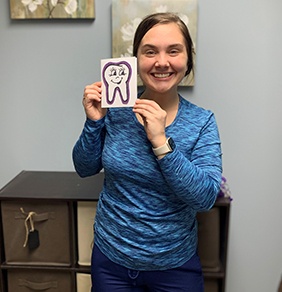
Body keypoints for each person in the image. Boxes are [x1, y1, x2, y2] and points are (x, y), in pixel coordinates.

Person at [73, 12, 222, 292]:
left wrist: (161, 143)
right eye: (150, 52)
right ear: (136, 61)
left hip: (175, 266)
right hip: (111, 261)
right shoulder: (115, 110)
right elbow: (84, 167)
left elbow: (204, 198)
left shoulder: (203, 122)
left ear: (187, 59)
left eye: (173, 51)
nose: (161, 62)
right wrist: (93, 122)